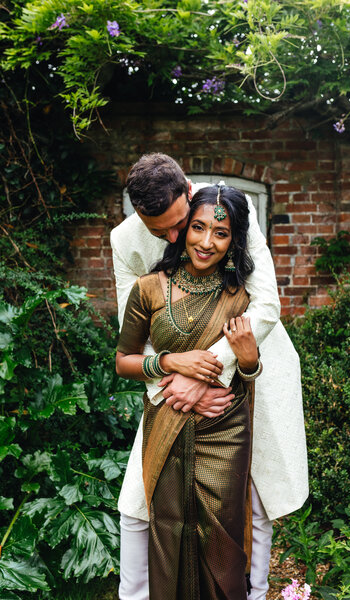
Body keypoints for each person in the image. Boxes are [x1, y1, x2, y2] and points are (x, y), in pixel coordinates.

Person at [111, 153, 308, 600]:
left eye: (180, 222)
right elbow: (133, 337)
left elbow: (266, 305)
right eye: (160, 232)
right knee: (137, 504)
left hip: (251, 358)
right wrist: (175, 381)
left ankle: (253, 593)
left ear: (188, 191)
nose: (177, 238)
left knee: (254, 496)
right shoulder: (124, 242)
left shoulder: (224, 208)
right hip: (170, 388)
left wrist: (207, 373)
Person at [116, 185, 261, 598]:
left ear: (234, 241)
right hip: (167, 425)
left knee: (222, 541)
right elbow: (123, 360)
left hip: (224, 430)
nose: (206, 242)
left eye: (221, 233)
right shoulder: (148, 289)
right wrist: (169, 362)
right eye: (198, 227)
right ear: (183, 230)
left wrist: (249, 361)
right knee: (169, 529)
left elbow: (245, 379)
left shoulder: (241, 297)